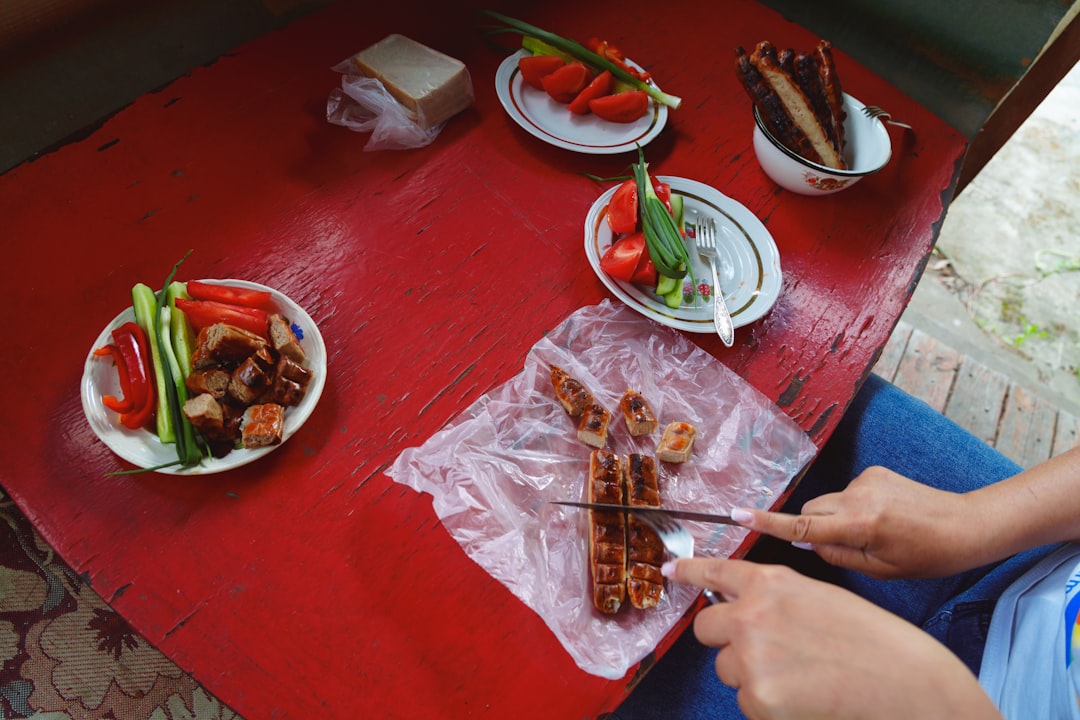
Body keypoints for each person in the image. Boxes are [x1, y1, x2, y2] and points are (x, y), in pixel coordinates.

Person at [613, 373, 1080, 720]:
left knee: (628, 677)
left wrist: (938, 703)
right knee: (784, 402)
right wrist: (973, 519)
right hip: (1044, 554)